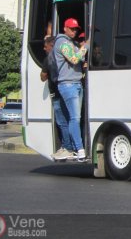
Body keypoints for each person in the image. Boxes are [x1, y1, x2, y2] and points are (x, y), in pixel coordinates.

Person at [53, 18, 88, 162]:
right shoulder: (62, 42)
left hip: (76, 83)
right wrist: (85, 47)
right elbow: (74, 59)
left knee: (75, 118)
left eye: (76, 29)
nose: (74, 31)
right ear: (65, 28)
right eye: (72, 29)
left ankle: (74, 148)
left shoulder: (71, 43)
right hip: (68, 85)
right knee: (75, 118)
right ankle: (79, 150)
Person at [41, 36, 74, 160]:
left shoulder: (49, 58)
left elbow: (43, 77)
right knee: (72, 119)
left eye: (46, 46)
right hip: (68, 92)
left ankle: (67, 147)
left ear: (52, 46)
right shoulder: (65, 58)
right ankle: (73, 145)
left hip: (57, 94)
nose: (44, 48)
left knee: (62, 122)